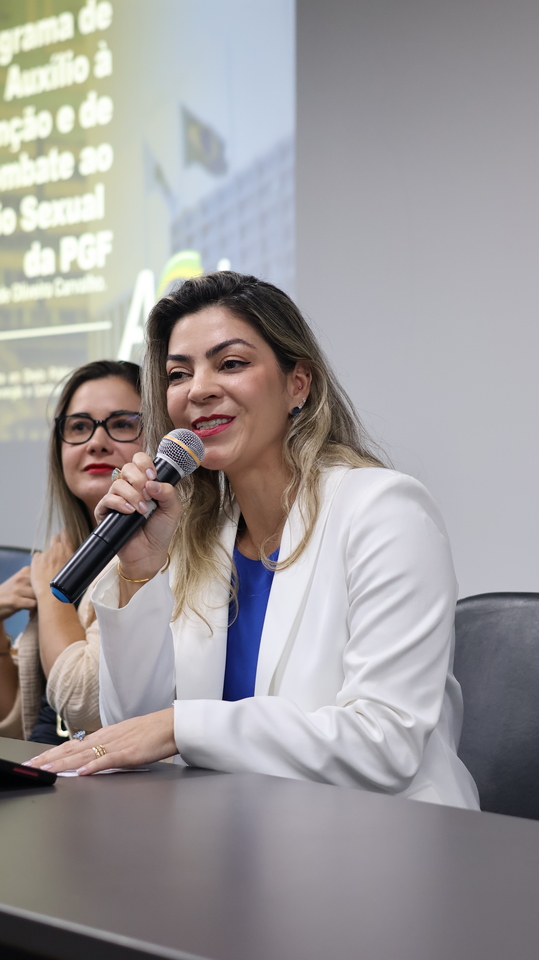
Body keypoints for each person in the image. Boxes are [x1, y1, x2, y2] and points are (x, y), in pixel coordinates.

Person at [29, 273, 479, 808]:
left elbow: (384, 744)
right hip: (227, 831)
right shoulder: (200, 534)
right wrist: (140, 570)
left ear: (298, 384)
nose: (198, 389)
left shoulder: (385, 510)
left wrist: (180, 726)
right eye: (178, 374)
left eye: (231, 363)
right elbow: (131, 730)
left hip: (384, 837)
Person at [0, 360, 143, 743]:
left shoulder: (157, 557)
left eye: (122, 424)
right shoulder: (63, 552)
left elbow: (83, 705)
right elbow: (21, 725)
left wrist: (52, 594)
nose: (96, 442)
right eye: (79, 427)